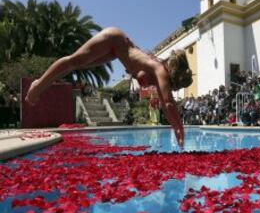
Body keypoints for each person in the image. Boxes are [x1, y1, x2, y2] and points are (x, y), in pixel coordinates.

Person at [25, 27, 193, 147]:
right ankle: (38, 85)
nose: (171, 90)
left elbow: (165, 103)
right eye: (174, 86)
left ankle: (40, 85)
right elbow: (169, 103)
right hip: (114, 39)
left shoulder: (156, 71)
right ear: (172, 74)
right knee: (73, 61)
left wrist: (176, 127)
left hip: (115, 50)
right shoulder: (160, 70)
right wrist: (179, 129)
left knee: (78, 65)